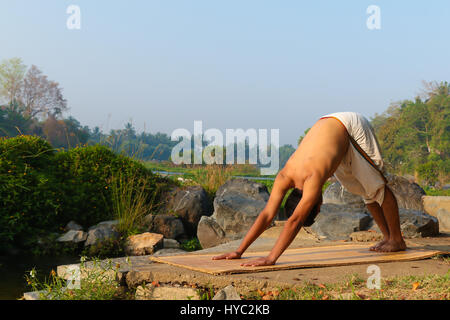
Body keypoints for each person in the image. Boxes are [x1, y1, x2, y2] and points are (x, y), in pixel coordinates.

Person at [212, 112, 407, 267]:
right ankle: (387, 237)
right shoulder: (284, 176)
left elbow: (294, 221)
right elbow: (266, 215)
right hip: (331, 128)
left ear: (314, 203)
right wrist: (239, 251)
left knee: (376, 186)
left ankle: (397, 240)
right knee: (365, 190)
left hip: (349, 125)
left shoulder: (312, 179)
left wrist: (271, 258)